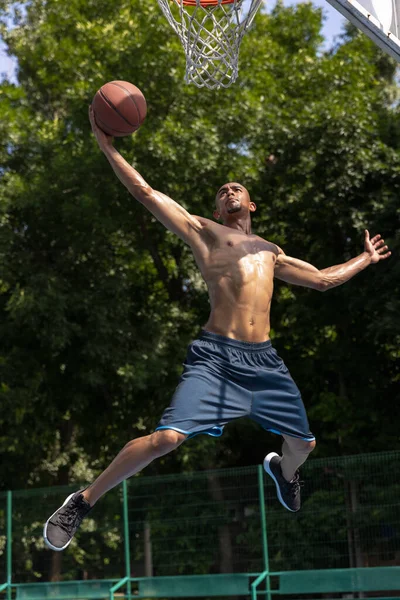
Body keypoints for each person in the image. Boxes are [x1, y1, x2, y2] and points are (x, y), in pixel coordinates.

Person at [43, 106, 391, 552]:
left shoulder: (271, 251)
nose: (230, 191)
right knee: (165, 440)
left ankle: (283, 473)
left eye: (238, 188)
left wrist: (366, 258)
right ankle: (83, 501)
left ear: (251, 205)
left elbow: (323, 279)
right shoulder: (202, 231)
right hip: (216, 359)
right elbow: (146, 192)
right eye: (223, 190)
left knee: (303, 445)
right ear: (216, 207)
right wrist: (107, 145)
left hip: (264, 362)